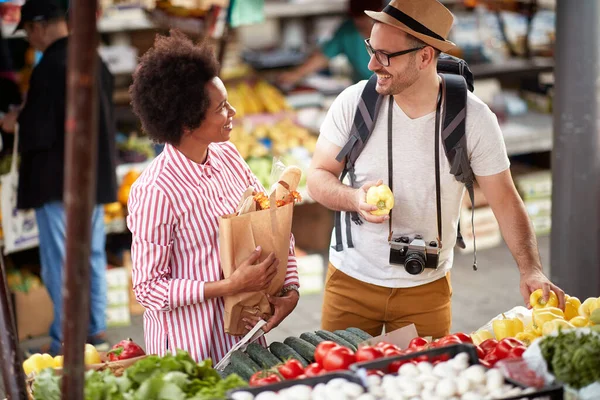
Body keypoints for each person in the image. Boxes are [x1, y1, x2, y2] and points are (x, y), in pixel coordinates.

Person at [307, 0, 565, 338]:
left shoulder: (474, 119)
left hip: (426, 289)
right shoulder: (353, 103)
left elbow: (504, 199)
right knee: (339, 383)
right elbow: (317, 177)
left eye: (385, 55)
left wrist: (530, 269)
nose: (372, 64)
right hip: (350, 281)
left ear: (425, 56)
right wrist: (354, 198)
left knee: (424, 383)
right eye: (371, 48)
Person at [127, 31, 300, 363]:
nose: (233, 111)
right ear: (188, 123)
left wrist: (290, 292)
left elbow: (274, 223)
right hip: (189, 353)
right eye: (221, 107)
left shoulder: (228, 156)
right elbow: (149, 289)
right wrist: (228, 285)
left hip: (246, 342)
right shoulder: (155, 191)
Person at [0, 0, 118, 355]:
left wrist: (14, 120)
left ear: (38, 27)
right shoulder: (93, 59)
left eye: (30, 32)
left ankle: (67, 339)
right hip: (92, 181)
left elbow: (41, 130)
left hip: (58, 184)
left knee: (61, 264)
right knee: (90, 256)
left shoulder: (50, 66)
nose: (31, 39)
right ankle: (94, 333)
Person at [278, 0, 385, 86]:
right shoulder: (348, 31)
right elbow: (323, 56)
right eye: (356, 18)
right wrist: (295, 75)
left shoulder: (392, 31)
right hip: (364, 90)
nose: (359, 22)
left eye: (364, 18)